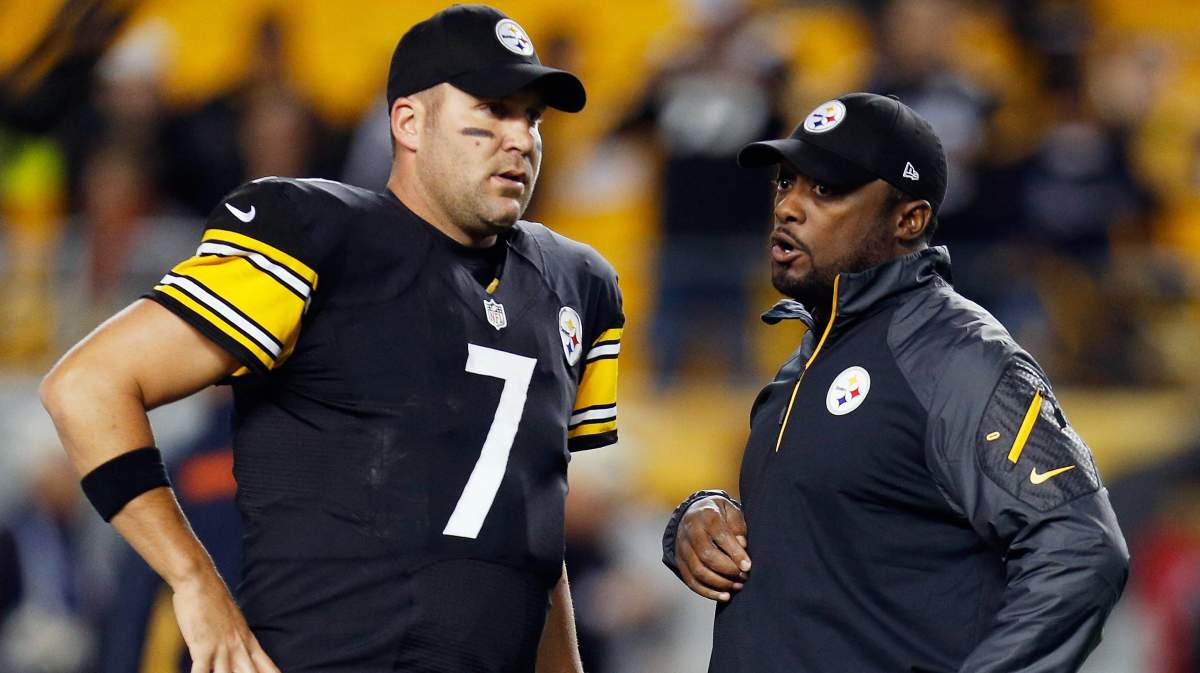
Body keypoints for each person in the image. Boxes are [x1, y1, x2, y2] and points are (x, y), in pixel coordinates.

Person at [40, 5, 623, 673]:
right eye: (492, 110)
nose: (519, 138)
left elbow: (531, 536)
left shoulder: (575, 286)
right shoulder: (314, 234)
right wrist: (194, 580)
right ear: (409, 122)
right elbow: (86, 385)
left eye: (532, 118)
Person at [661, 92, 1129, 672]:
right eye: (785, 182)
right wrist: (701, 518)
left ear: (909, 219)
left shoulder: (956, 355)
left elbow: (1082, 548)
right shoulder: (805, 362)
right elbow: (839, 535)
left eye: (826, 189)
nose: (788, 207)